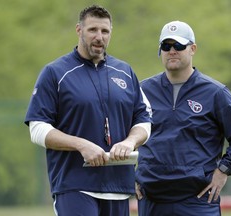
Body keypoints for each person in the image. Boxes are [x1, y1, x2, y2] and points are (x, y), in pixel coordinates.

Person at [24, 5, 152, 216]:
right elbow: (37, 129)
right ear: (79, 30)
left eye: (105, 31)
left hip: (118, 187)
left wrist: (130, 142)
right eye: (92, 30)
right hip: (74, 186)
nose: (99, 37)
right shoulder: (55, 73)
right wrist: (81, 145)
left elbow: (145, 119)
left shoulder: (125, 72)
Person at [135, 20, 231, 216]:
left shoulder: (215, 92)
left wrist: (223, 170)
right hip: (152, 200)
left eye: (179, 45)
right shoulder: (142, 90)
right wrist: (127, 176)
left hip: (198, 200)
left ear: (192, 49)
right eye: (166, 46)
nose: (172, 51)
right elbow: (119, 135)